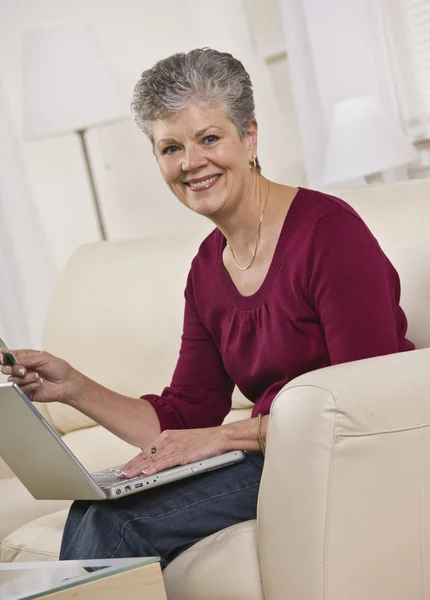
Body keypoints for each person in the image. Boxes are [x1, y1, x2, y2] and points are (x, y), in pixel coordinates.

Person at [0, 48, 414, 568]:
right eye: (170, 147)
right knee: (94, 507)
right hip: (272, 452)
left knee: (119, 521)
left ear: (251, 137)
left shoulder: (329, 233)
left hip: (340, 458)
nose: (190, 162)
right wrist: (73, 387)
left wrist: (219, 439)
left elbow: (364, 404)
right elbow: (184, 415)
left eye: (209, 138)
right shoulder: (206, 268)